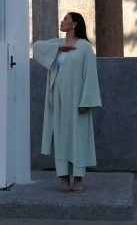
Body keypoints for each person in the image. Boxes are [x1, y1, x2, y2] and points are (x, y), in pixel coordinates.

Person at [32, 12, 101, 193]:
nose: (62, 22)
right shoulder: (58, 43)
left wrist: (87, 100)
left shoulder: (85, 47)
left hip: (77, 97)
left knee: (77, 136)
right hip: (57, 95)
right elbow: (37, 47)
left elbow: (91, 74)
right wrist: (58, 49)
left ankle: (78, 177)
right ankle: (63, 177)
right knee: (60, 135)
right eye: (62, 19)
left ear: (75, 24)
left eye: (66, 19)